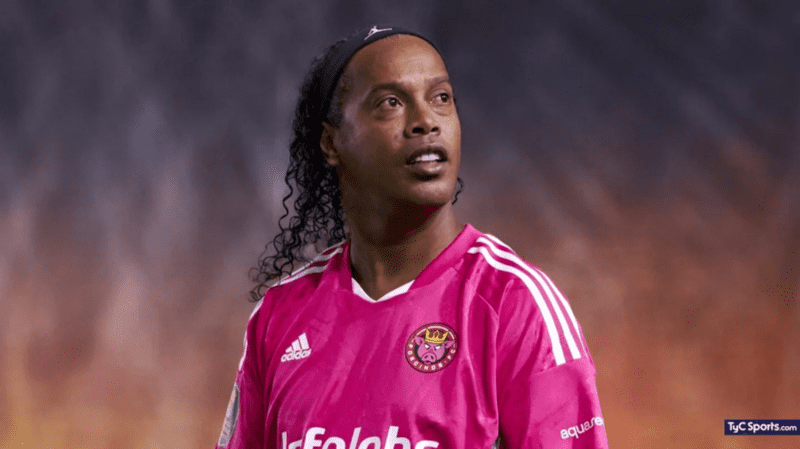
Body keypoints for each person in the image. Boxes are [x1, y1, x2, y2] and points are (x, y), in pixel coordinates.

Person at [215, 25, 609, 448]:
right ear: (331, 143)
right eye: (390, 103)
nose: (426, 122)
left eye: (441, 98)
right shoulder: (280, 314)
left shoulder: (514, 303)